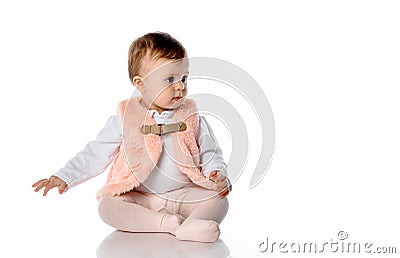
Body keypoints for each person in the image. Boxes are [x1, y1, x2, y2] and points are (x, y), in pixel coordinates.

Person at [32, 32, 231, 243]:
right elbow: (97, 152)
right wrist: (65, 176)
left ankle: (190, 227)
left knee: (218, 201)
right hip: (139, 198)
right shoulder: (126, 117)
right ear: (141, 84)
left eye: (184, 78)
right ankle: (167, 224)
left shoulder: (191, 116)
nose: (180, 86)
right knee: (107, 207)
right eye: (170, 79)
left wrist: (216, 173)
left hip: (181, 194)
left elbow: (210, 150)